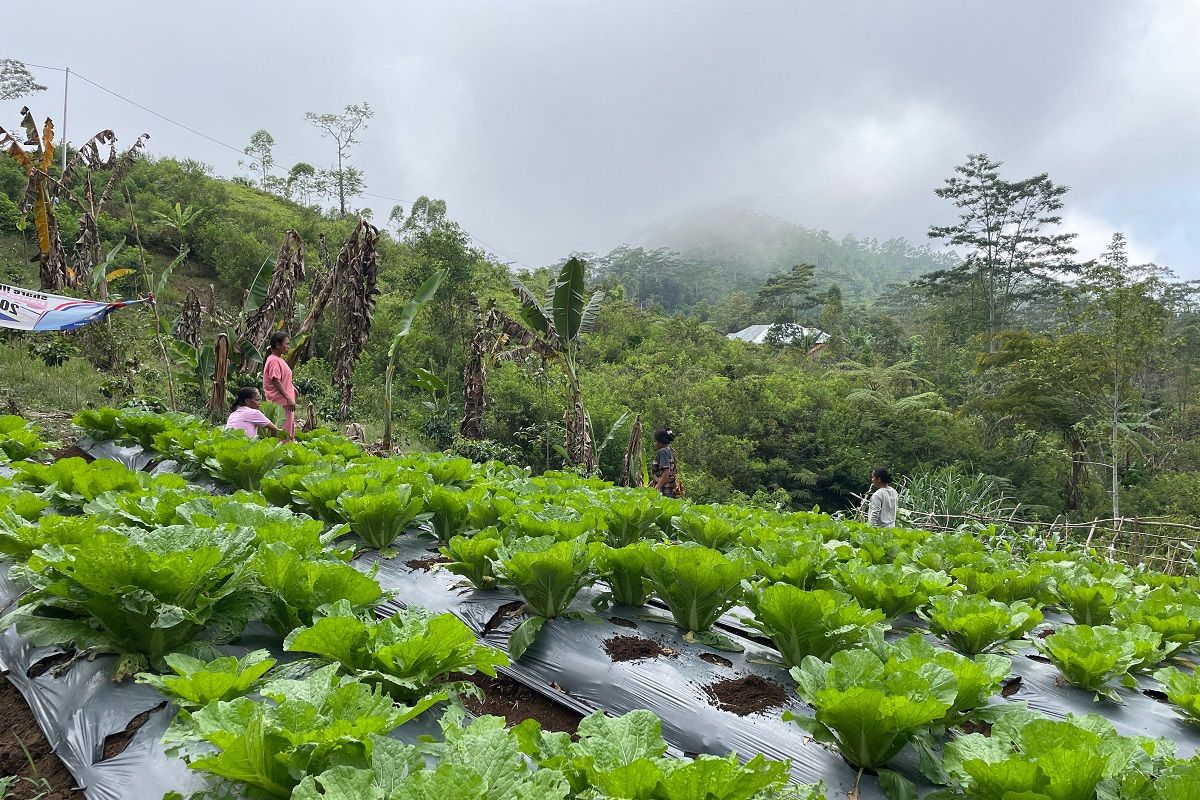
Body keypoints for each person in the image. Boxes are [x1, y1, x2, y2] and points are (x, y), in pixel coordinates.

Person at [262, 330, 297, 438]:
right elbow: (275, 380)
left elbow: (282, 379)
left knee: (288, 432)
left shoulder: (278, 359)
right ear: (278, 344)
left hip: (285, 402)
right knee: (284, 434)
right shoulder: (273, 361)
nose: (288, 347)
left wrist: (292, 388)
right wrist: (288, 398)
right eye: (286, 344)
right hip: (281, 403)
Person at [651, 428, 679, 497]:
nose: (654, 443)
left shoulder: (663, 452)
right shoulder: (670, 451)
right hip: (670, 487)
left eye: (655, 441)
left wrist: (657, 486)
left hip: (664, 489)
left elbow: (666, 472)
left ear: (660, 442)